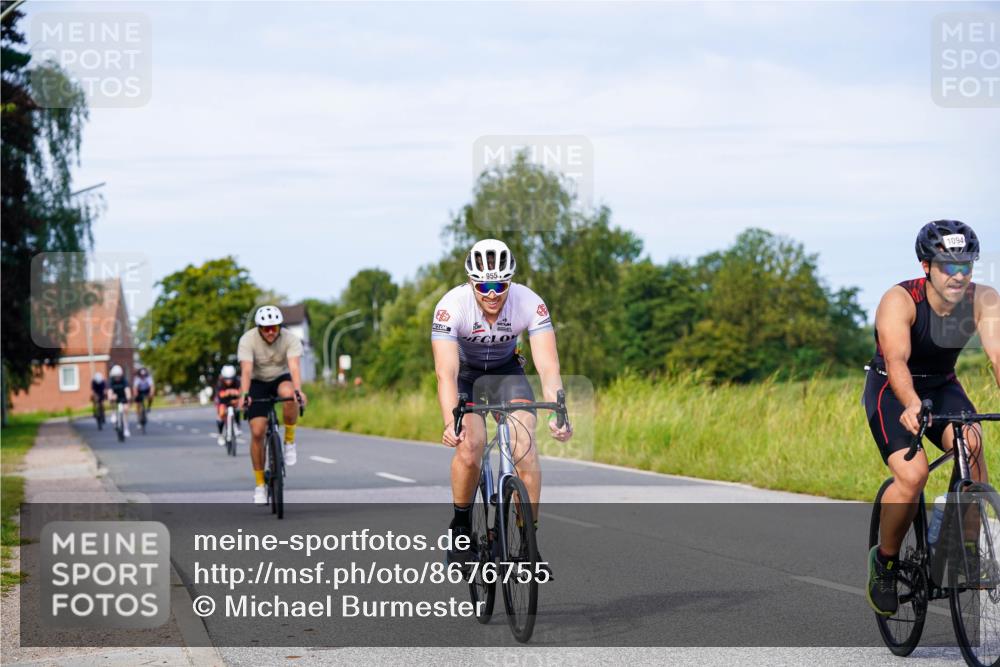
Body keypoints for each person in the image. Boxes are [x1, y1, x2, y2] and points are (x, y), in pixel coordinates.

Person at [864, 220, 1000, 616]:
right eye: (948, 266)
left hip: (942, 384)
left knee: (971, 443)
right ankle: (885, 564)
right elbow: (897, 361)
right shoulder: (900, 300)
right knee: (913, 475)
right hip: (893, 389)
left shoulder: (984, 299)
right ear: (926, 266)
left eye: (966, 265)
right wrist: (910, 403)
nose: (959, 275)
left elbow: (998, 356)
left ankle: (960, 549)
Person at [431, 239, 573, 570]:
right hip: (466, 377)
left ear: (510, 282)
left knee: (525, 445)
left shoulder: (530, 302)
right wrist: (451, 422)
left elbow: (548, 366)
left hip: (507, 373)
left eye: (500, 285)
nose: (492, 293)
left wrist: (560, 413)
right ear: (472, 283)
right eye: (484, 286)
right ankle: (461, 527)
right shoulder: (451, 306)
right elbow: (445, 373)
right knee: (471, 446)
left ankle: (527, 541)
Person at [238, 305, 307, 505]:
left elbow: (294, 367)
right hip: (257, 382)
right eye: (266, 328)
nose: (270, 332)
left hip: (280, 378)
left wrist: (298, 390)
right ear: (259, 328)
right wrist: (244, 394)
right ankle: (260, 485)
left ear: (279, 327)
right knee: (258, 431)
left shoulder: (290, 339)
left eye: (274, 328)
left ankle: (289, 441)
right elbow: (246, 370)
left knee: (290, 395)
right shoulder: (248, 340)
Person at [215, 364, 242, 446]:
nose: (229, 381)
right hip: (223, 401)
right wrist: (228, 392)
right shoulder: (220, 382)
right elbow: (219, 394)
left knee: (237, 409)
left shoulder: (237, 381)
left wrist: (236, 395)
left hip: (234, 400)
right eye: (226, 379)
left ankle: (237, 426)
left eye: (231, 378)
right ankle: (220, 434)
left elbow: (241, 391)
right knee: (221, 413)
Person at [106, 364, 131, 437]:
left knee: (126, 410)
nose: (117, 378)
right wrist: (111, 397)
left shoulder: (124, 380)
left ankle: (126, 428)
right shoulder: (111, 381)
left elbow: (127, 390)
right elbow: (109, 391)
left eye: (118, 376)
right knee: (112, 400)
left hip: (123, 396)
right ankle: (113, 413)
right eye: (115, 376)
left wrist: (128, 397)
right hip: (115, 397)